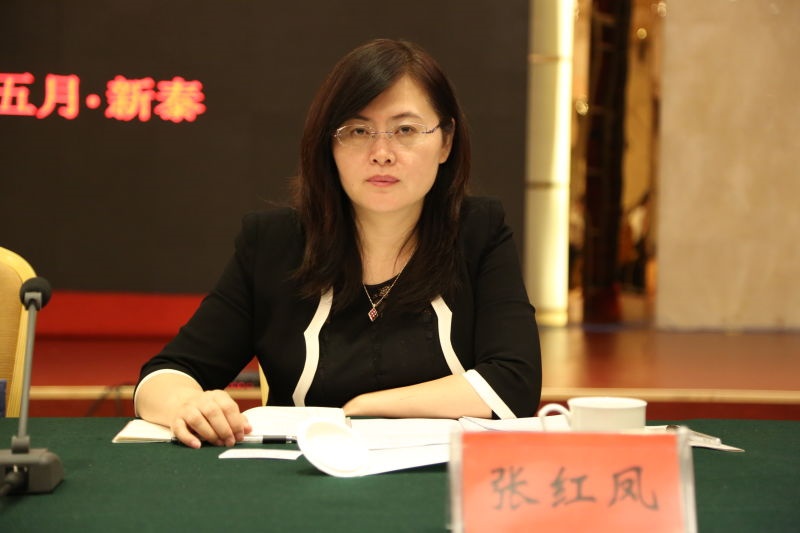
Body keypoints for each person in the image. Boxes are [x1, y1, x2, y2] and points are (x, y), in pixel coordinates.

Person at [135, 38, 542, 449]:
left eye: (405, 130)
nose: (382, 153)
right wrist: (188, 405)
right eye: (358, 131)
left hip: (441, 474)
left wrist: (363, 408)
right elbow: (167, 374)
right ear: (329, 144)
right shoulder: (274, 244)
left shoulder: (479, 232)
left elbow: (513, 383)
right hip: (301, 476)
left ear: (446, 142)